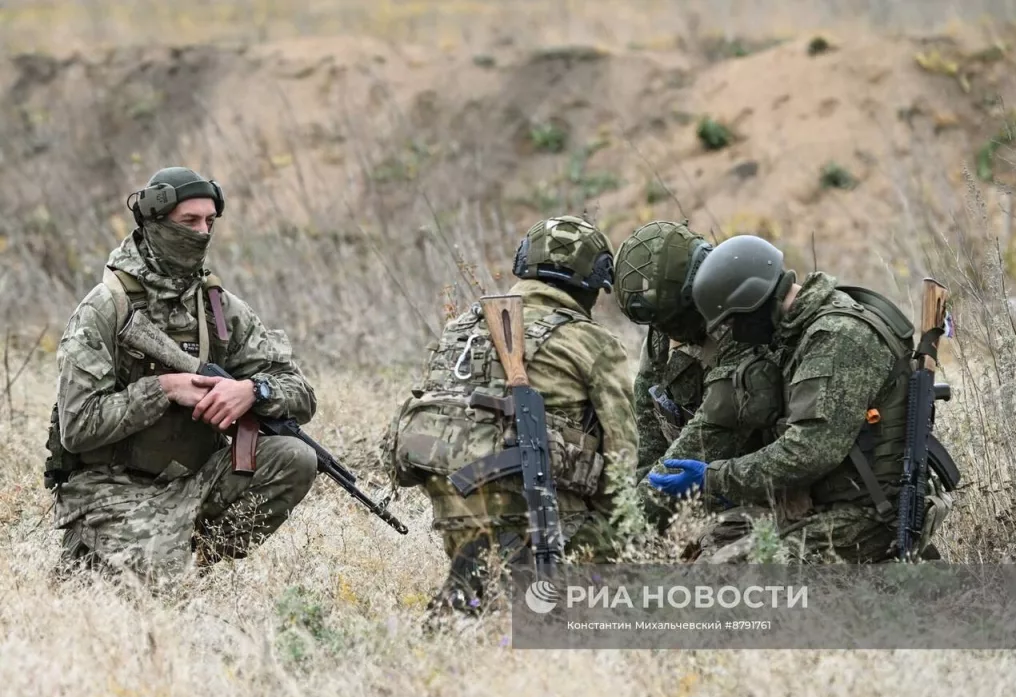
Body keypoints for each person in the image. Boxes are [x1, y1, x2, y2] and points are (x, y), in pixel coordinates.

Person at [46, 166, 319, 585]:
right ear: (155, 222)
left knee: (295, 456)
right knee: (150, 594)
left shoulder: (219, 309)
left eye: (209, 221)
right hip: (111, 488)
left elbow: (300, 393)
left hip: (195, 480)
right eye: (188, 222)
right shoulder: (106, 308)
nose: (201, 232)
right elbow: (78, 427)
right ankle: (111, 559)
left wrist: (251, 391)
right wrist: (164, 389)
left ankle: (202, 561)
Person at [642, 234, 954, 563]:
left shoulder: (838, 337)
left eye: (733, 321)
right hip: (819, 502)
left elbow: (810, 452)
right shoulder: (797, 332)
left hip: (869, 516)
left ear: (753, 303)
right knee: (707, 544)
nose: (733, 333)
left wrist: (714, 478)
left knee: (733, 574)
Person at [382, 214, 638, 615]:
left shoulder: (460, 329)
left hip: (453, 523)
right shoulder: (592, 343)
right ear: (594, 281)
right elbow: (625, 465)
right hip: (544, 527)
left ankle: (475, 587)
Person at [612, 220, 757, 532]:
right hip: (705, 495)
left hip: (760, 495)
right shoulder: (663, 330)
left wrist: (628, 531)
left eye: (673, 320)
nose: (668, 332)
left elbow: (709, 433)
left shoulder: (742, 327)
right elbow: (649, 427)